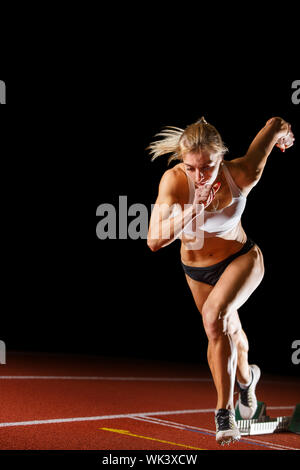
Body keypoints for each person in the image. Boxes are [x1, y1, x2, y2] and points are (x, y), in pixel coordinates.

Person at [146, 116, 295, 445]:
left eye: (208, 167)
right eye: (192, 167)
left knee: (215, 319)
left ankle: (223, 412)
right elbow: (154, 240)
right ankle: (248, 378)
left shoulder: (242, 173)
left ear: (221, 158)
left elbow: (273, 124)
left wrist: (286, 135)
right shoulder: (174, 182)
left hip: (241, 258)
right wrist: (191, 211)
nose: (200, 176)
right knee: (229, 331)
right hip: (196, 270)